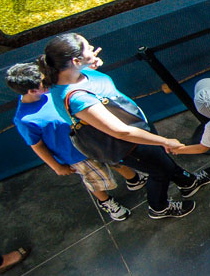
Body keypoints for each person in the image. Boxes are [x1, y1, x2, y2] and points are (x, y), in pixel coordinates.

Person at [43, 34, 210, 220]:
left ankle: (187, 182)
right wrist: (165, 140)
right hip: (128, 144)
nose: (93, 48)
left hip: (137, 128)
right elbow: (121, 131)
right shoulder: (78, 99)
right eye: (88, 47)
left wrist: (88, 65)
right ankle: (159, 207)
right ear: (75, 60)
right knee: (158, 171)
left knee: (161, 160)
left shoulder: (76, 74)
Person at [8, 60, 141, 221]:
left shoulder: (54, 88)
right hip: (74, 155)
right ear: (32, 90)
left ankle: (134, 179)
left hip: (94, 138)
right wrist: (56, 166)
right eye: (44, 82)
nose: (50, 82)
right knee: (95, 179)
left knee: (117, 160)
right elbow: (36, 145)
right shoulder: (24, 119)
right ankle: (105, 201)